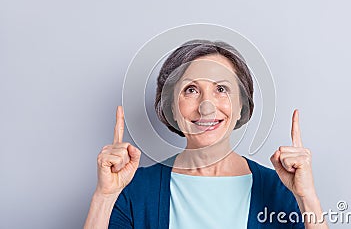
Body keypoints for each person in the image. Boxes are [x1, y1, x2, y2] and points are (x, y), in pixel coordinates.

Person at [84, 40, 329, 229]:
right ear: (171, 106)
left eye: (221, 89)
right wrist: (104, 197)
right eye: (191, 90)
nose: (206, 106)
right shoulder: (134, 189)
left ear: (242, 104)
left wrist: (307, 197)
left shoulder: (280, 190)